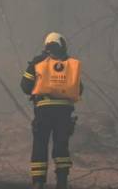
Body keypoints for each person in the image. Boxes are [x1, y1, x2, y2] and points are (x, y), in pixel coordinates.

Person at [20, 32, 82, 189]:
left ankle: (38, 183)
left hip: (43, 111)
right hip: (64, 113)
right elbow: (79, 89)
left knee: (40, 145)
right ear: (62, 44)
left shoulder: (37, 62)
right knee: (61, 146)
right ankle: (62, 183)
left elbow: (25, 86)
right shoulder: (70, 65)